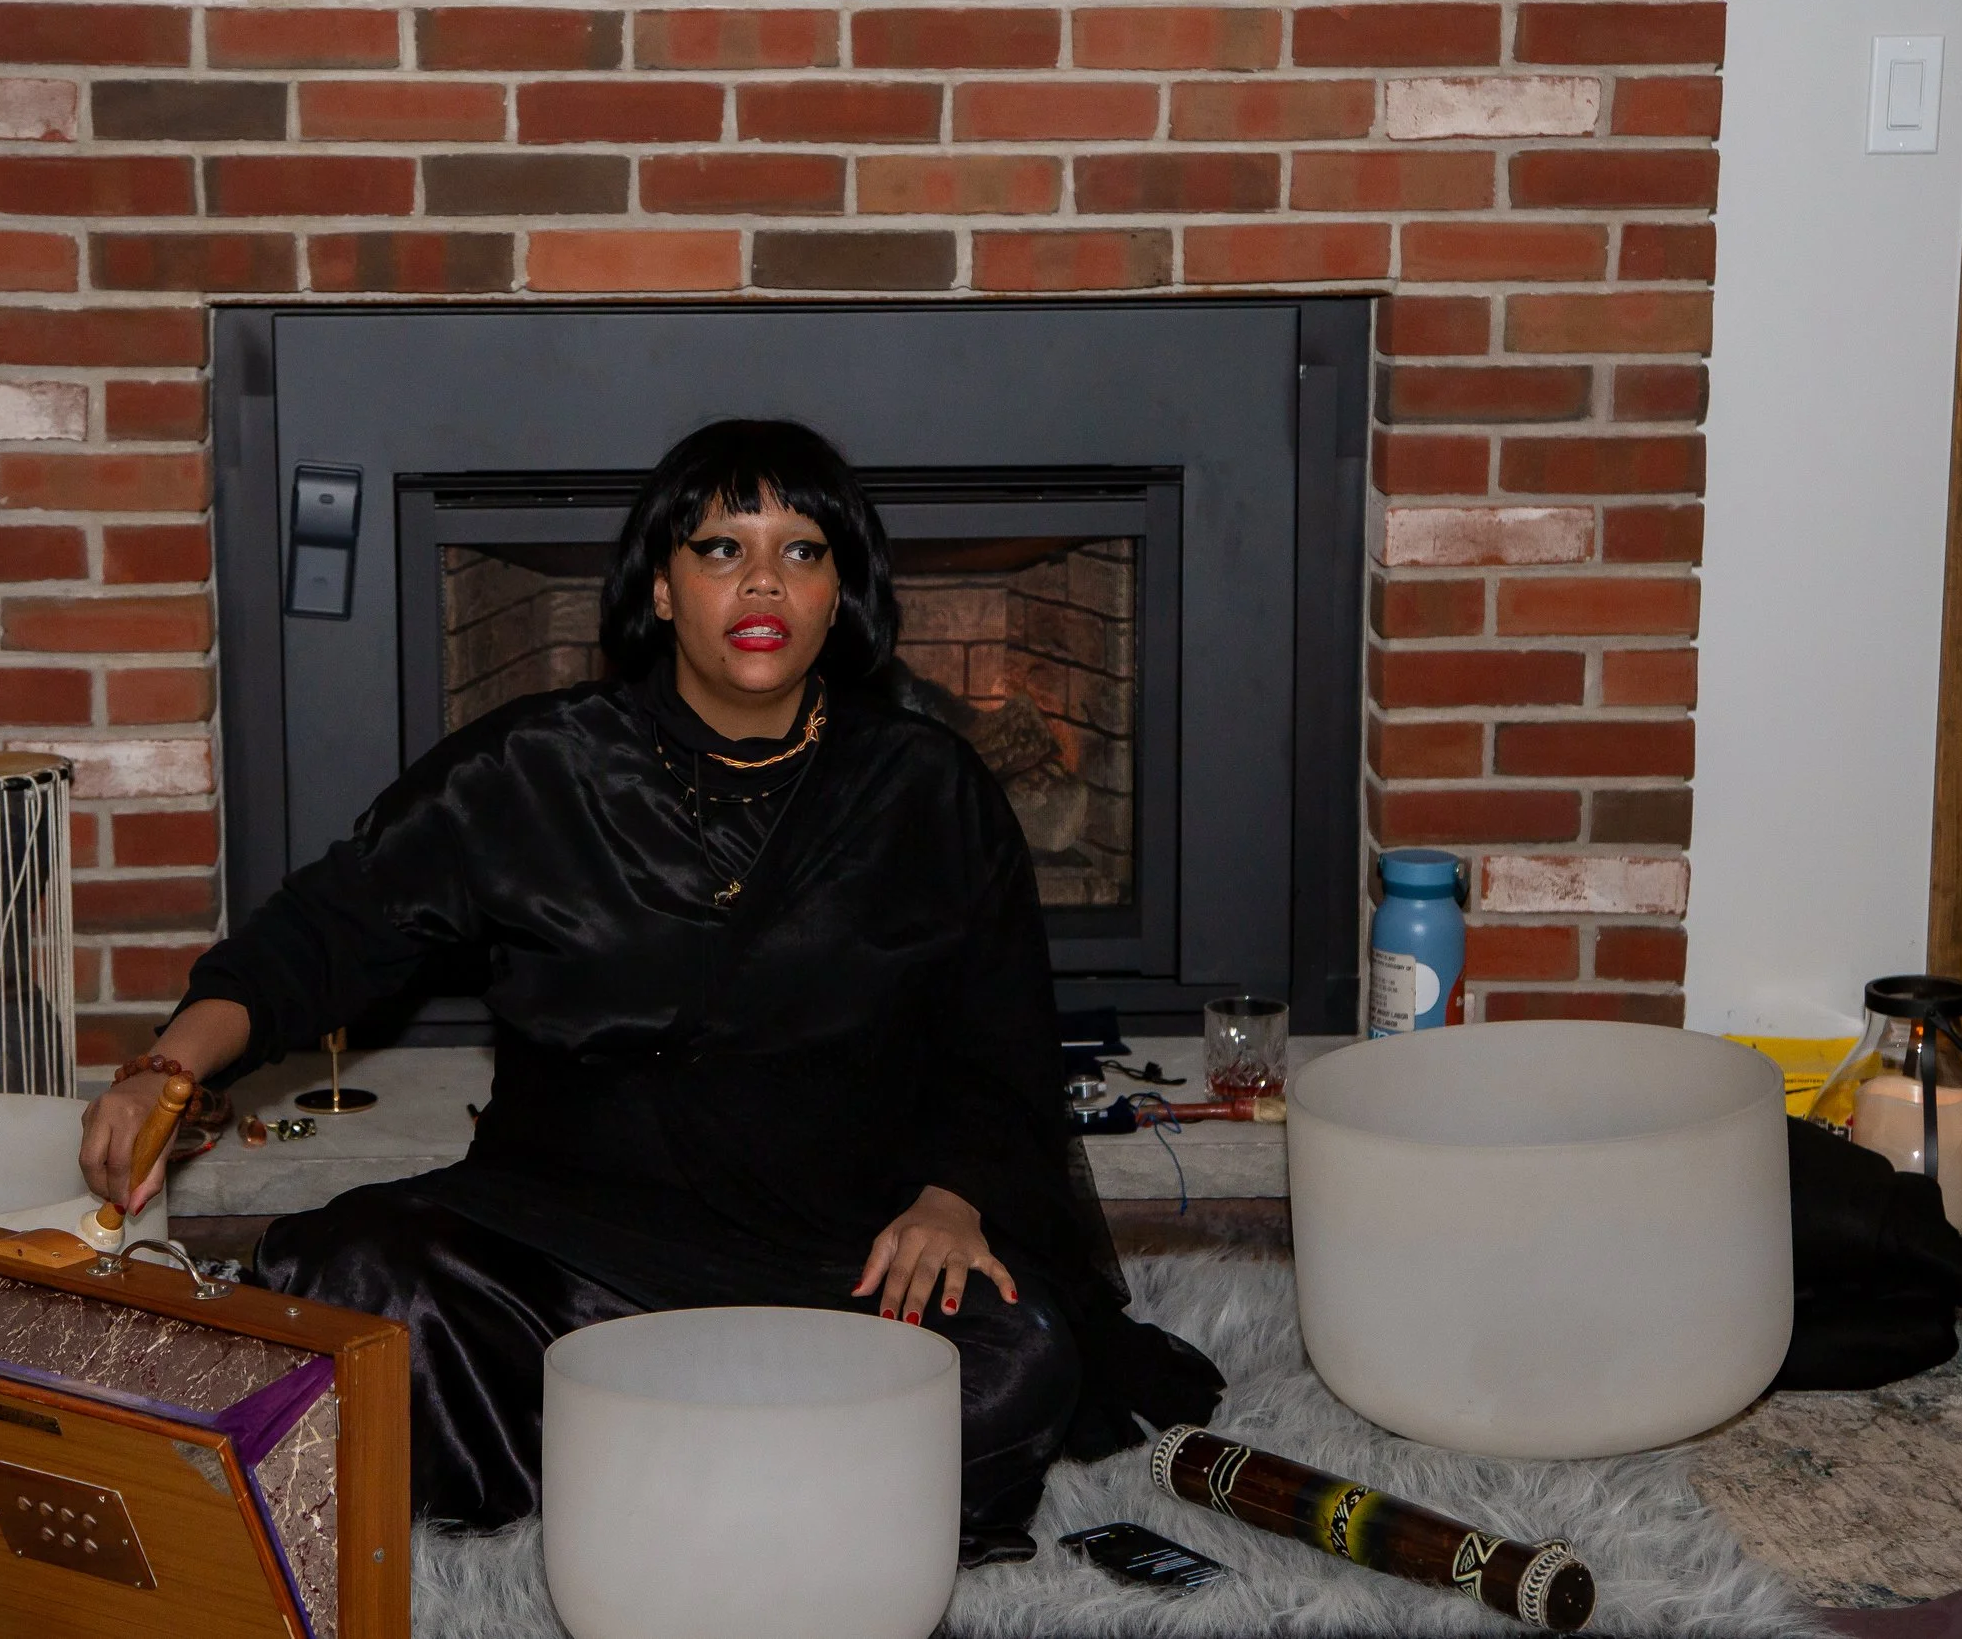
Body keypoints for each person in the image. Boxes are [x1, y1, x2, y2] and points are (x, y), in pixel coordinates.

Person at [80, 418, 1222, 1564]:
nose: (764, 579)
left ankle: (640, 1470)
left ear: (841, 594)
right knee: (350, 1272)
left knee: (1017, 1360)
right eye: (721, 547)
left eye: (803, 549)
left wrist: (954, 1197)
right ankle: (756, 1479)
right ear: (662, 590)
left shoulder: (927, 787)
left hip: (830, 1257)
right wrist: (170, 1065)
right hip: (564, 1242)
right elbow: (326, 927)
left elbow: (1002, 1036)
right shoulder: (534, 767)